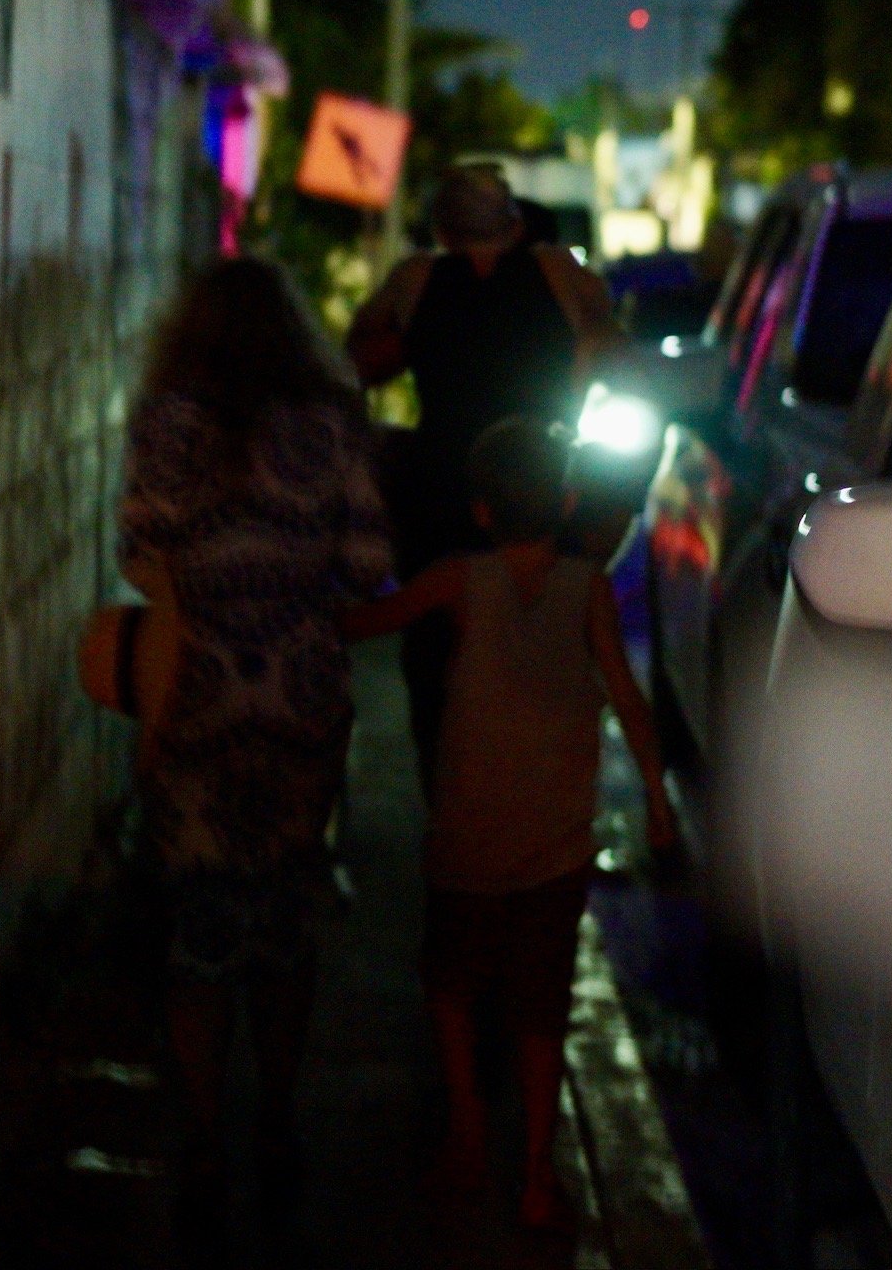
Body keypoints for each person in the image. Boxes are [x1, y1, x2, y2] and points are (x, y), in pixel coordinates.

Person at [342, 418, 674, 1230]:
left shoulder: (458, 578)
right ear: (565, 501)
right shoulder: (588, 586)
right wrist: (660, 805)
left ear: (481, 510)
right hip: (556, 835)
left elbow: (370, 622)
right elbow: (628, 699)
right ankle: (533, 1176)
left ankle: (464, 1131)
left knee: (452, 979)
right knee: (541, 1001)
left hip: (470, 827)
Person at [119, 257, 391, 1243]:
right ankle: (275, 1120)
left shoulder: (167, 424)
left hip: (194, 700)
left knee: (198, 927)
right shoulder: (332, 423)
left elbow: (141, 560)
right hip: (302, 702)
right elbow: (366, 570)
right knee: (284, 914)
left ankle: (203, 1135)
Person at [347, 163, 623, 775]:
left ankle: (450, 812)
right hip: (542, 489)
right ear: (515, 223)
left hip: (445, 497)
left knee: (436, 662)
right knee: (548, 655)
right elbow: (614, 352)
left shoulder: (417, 281)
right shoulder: (559, 274)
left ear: (443, 231)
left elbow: (356, 360)